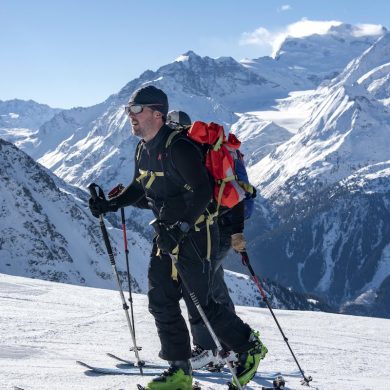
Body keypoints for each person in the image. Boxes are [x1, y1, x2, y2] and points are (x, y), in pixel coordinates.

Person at [89, 86, 267, 390]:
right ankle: (180, 371)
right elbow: (140, 186)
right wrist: (111, 203)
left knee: (201, 302)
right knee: (160, 300)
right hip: (167, 234)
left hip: (196, 234)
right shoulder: (143, 148)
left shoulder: (178, 146)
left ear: (157, 113)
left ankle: (250, 348)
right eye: (128, 109)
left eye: (136, 109)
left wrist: (182, 229)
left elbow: (202, 192)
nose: (129, 116)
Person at [166, 111, 249, 371]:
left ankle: (209, 350)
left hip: (217, 228)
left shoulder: (195, 152)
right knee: (213, 285)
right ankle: (232, 347)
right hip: (217, 228)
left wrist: (236, 232)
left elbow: (226, 191)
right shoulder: (205, 150)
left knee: (200, 287)